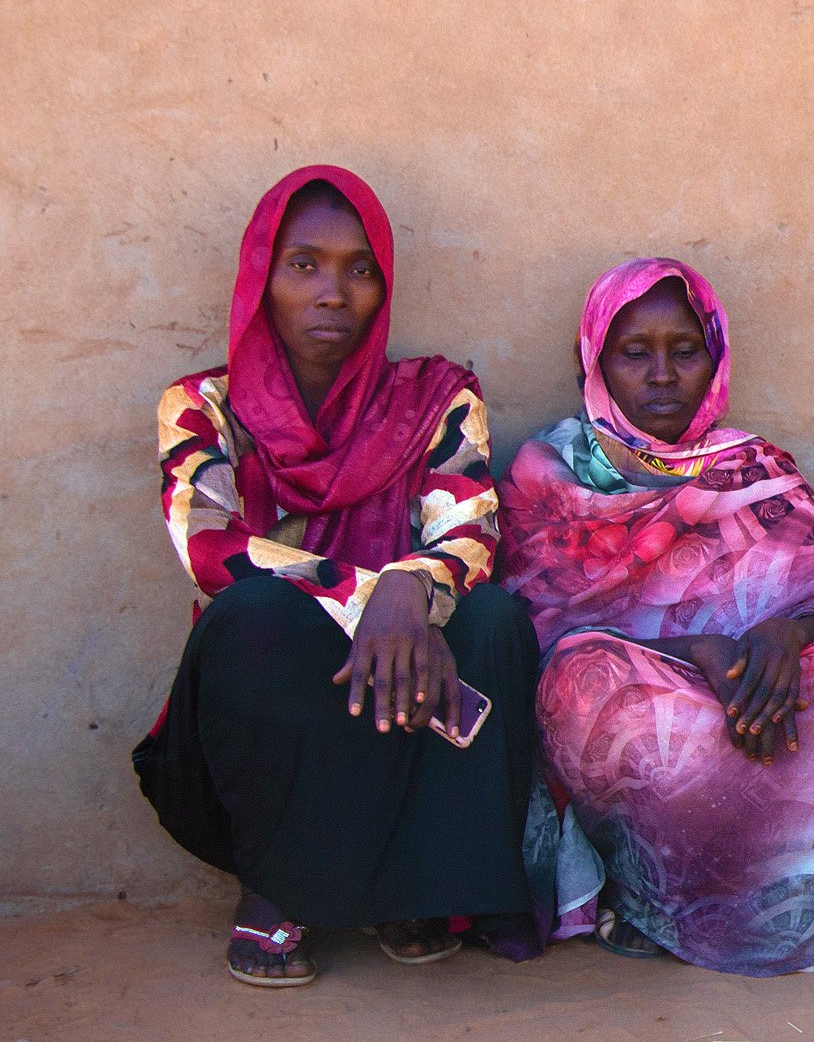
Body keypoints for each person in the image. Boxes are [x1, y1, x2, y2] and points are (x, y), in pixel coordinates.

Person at [135, 166, 540, 987]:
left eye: (360, 269)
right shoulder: (199, 409)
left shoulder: (437, 401)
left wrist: (413, 597)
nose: (333, 292)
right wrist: (378, 596)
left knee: (493, 619)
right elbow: (210, 546)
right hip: (259, 731)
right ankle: (276, 887)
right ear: (261, 278)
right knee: (253, 614)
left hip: (399, 722)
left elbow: (469, 532)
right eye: (304, 265)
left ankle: (413, 887)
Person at [499, 257, 814, 977]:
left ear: (713, 358)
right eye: (633, 354)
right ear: (591, 362)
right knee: (579, 680)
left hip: (763, 703)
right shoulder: (546, 477)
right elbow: (540, 645)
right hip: (654, 719)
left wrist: (784, 638)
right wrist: (698, 652)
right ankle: (675, 880)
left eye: (684, 352)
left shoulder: (755, 467)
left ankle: (753, 852)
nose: (660, 375)